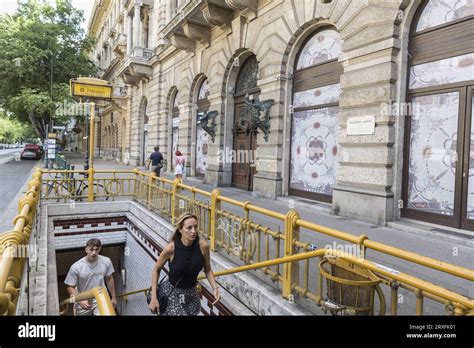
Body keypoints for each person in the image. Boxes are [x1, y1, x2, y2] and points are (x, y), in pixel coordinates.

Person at [148, 213, 220, 316]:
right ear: (180, 229)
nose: (193, 231)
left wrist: (215, 288)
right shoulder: (171, 248)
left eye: (195, 227)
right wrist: (154, 297)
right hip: (173, 294)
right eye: (189, 228)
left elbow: (207, 269)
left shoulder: (203, 246)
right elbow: (156, 270)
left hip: (192, 294)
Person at [65, 238, 117, 316]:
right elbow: (70, 287)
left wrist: (113, 297)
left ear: (100, 249)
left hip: (101, 297)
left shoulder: (106, 261)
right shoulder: (76, 267)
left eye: (97, 250)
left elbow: (109, 279)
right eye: (91, 249)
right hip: (83, 298)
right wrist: (80, 300)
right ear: (86, 249)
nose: (94, 253)